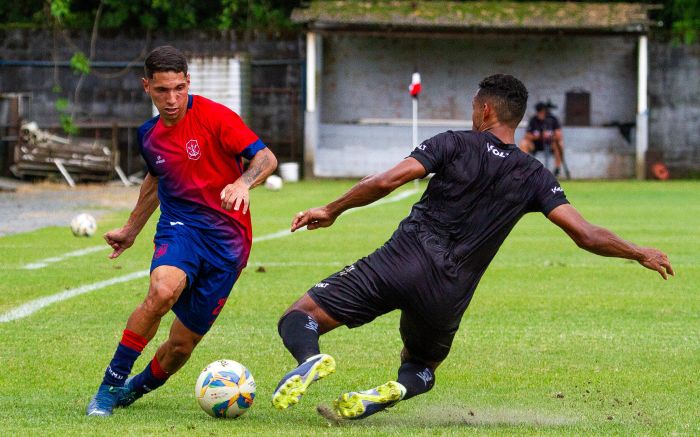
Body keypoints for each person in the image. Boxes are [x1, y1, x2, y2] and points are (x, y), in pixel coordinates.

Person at [270, 74, 673, 421]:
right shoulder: (535, 175)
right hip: (450, 289)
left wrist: (333, 208)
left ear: (484, 112)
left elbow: (386, 181)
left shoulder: (452, 144)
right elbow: (585, 233)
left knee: (301, 315)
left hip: (401, 260)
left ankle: (309, 359)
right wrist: (639, 252)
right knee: (422, 365)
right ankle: (390, 391)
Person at [86, 45, 277, 417]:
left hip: (229, 242)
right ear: (146, 87)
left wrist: (242, 183)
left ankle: (133, 390)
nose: (172, 99)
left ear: (188, 82)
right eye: (162, 90)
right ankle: (109, 386)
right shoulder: (149, 136)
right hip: (181, 227)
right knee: (162, 292)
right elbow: (156, 181)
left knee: (180, 347)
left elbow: (265, 158)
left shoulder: (217, 118)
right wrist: (131, 228)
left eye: (178, 88)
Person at [519, 101, 565, 176]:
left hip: (550, 144)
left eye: (543, 112)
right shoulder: (534, 120)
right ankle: (524, 168)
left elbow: (559, 135)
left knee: (560, 144)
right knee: (523, 143)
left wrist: (550, 136)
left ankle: (557, 169)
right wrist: (538, 136)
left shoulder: (552, 119)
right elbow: (527, 135)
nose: (541, 114)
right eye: (540, 112)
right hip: (536, 144)